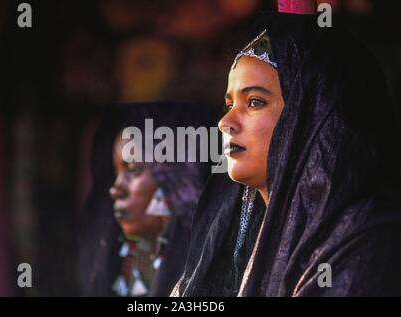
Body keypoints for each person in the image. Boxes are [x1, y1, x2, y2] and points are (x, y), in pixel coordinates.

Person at [172, 12, 401, 297]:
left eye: (254, 102)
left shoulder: (368, 241)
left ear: (313, 116)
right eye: (229, 104)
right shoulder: (237, 240)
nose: (225, 122)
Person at [79, 101, 211, 296]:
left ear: (175, 179)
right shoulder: (111, 262)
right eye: (116, 171)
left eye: (132, 170)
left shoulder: (210, 270)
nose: (115, 189)